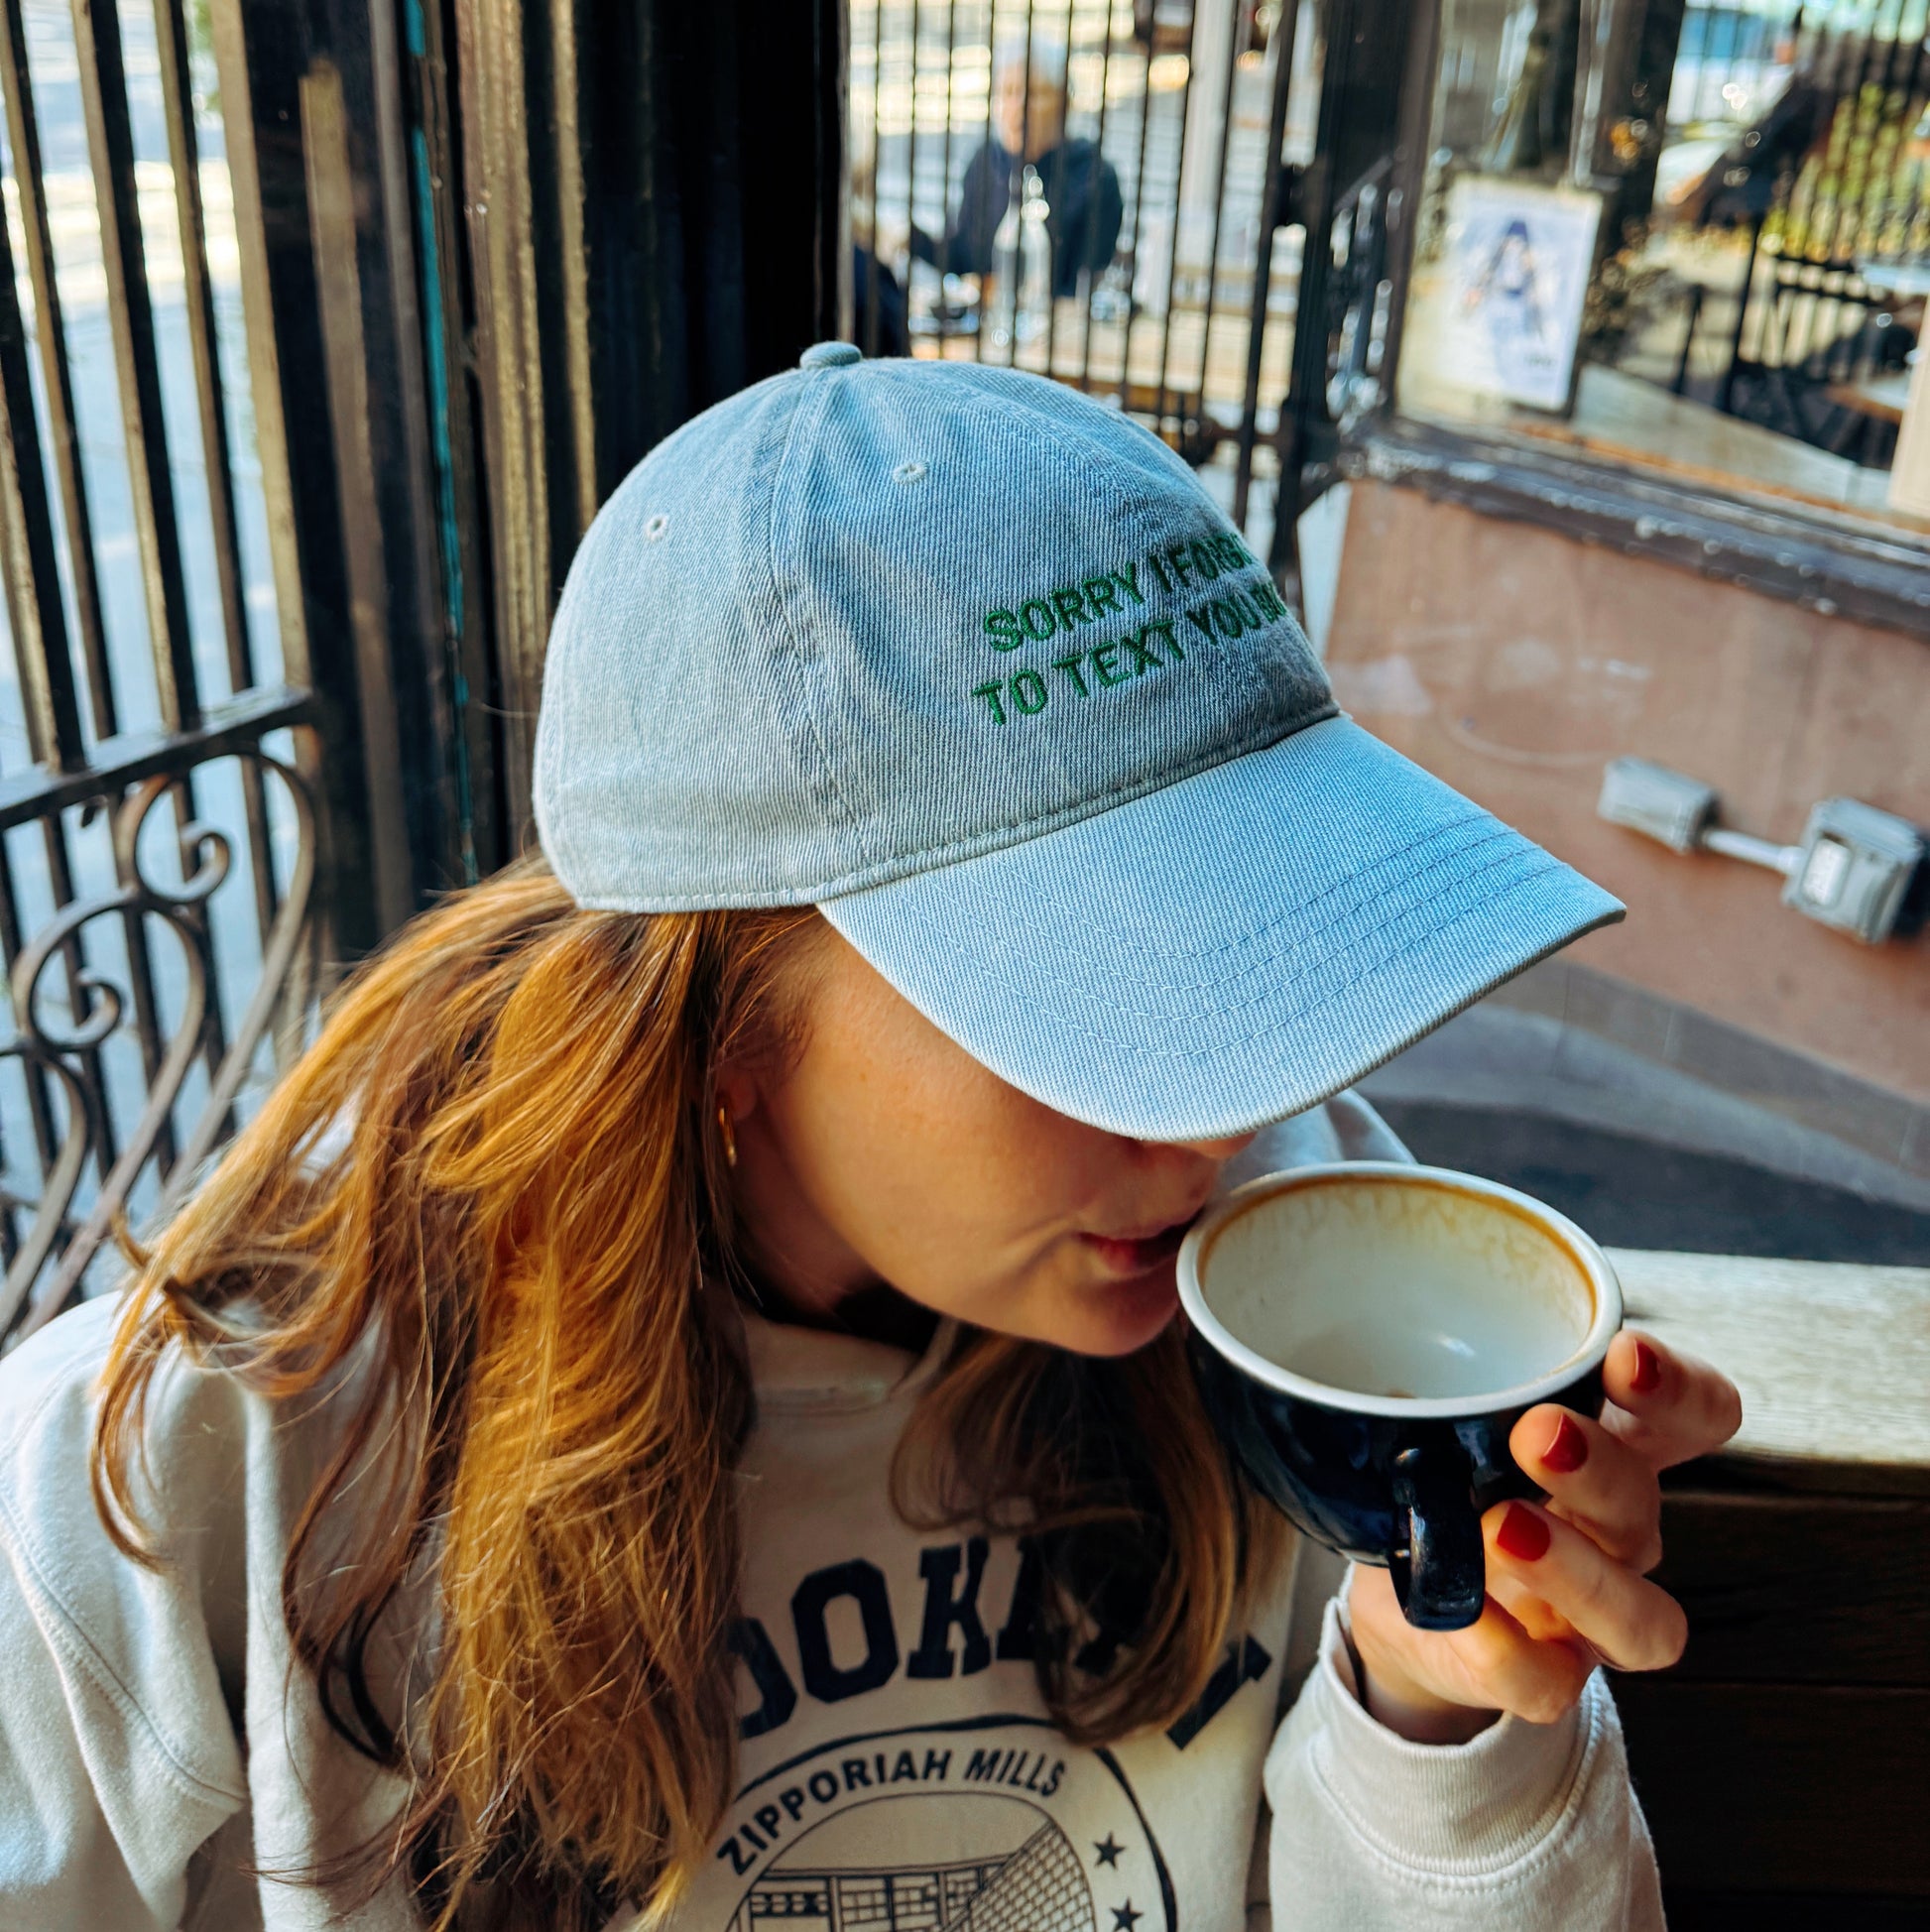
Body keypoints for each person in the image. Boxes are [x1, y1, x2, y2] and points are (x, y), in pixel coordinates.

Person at [0, 348, 1740, 1932]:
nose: (1217, 1114)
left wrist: (1433, 1702)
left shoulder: (1306, 1305)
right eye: (1087, 999)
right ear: (716, 1026)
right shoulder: (194, 1474)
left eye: (1249, 943)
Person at [910, 55, 1125, 301]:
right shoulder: (986, 161)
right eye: (1008, 92)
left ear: (1064, 104)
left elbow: (1084, 287)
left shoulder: (1095, 177)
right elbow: (963, 259)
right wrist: (910, 238)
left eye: (1034, 94)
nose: (1019, 105)